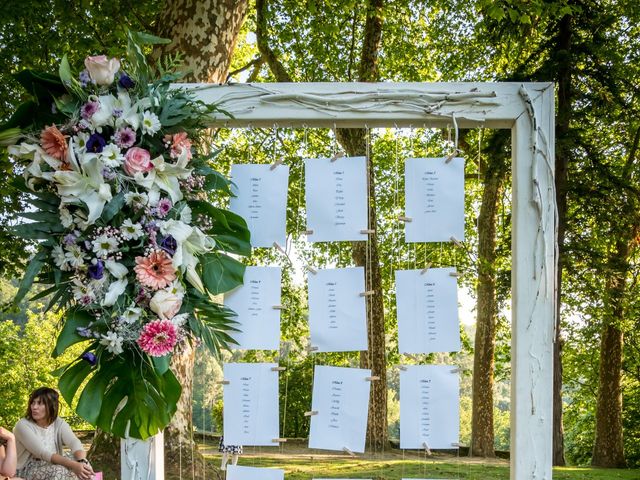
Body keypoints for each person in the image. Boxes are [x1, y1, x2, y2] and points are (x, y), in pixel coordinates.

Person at [13, 387, 94, 480]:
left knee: (83, 464)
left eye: (40, 403)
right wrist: (74, 465)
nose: (34, 407)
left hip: (51, 463)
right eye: (33, 402)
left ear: (51, 406)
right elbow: (43, 453)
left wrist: (81, 461)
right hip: (26, 469)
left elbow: (73, 442)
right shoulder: (22, 425)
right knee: (59, 470)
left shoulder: (58, 422)